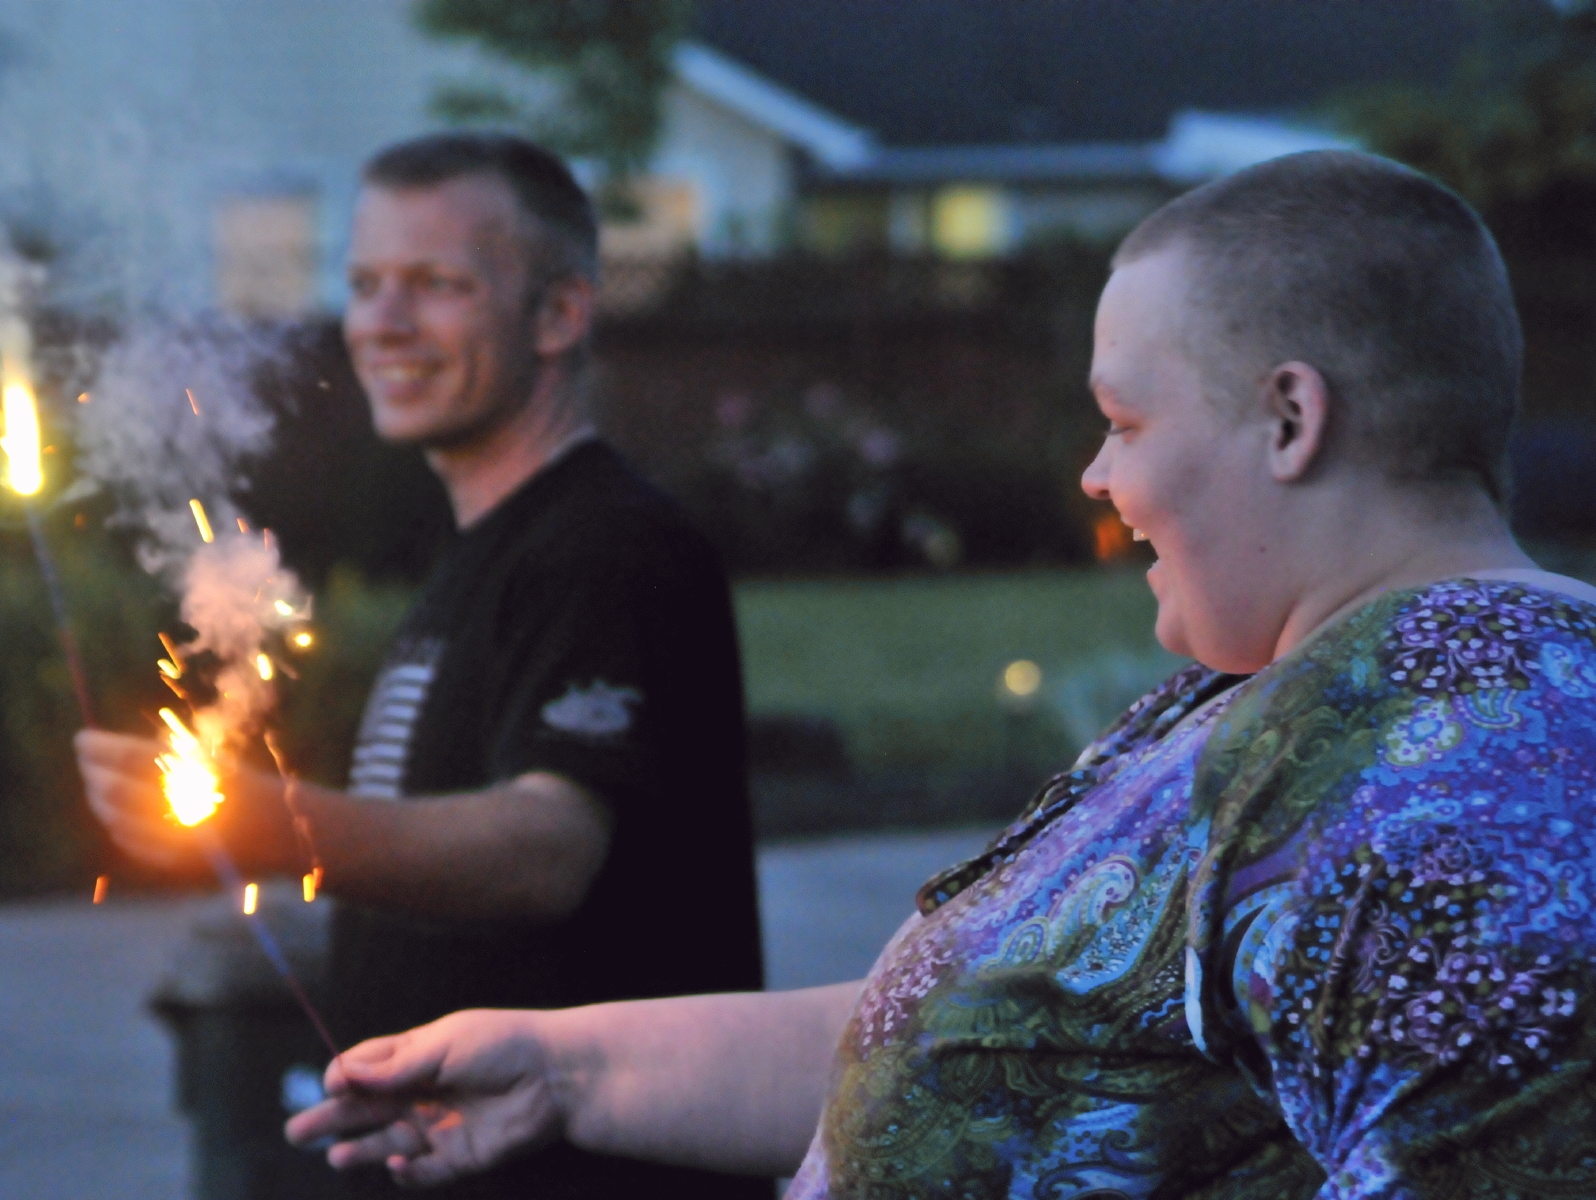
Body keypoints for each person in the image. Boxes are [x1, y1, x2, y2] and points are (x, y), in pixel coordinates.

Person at [284, 150, 1596, 1197]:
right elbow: (968, 1037)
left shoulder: (1462, 774)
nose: (1094, 475)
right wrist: (564, 1070)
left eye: (1124, 421)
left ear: (1288, 419)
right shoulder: (1288, 698)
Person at [77, 133, 767, 1199]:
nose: (381, 324)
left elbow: (548, 849)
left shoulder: (604, 550)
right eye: (363, 285)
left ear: (558, 314)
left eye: (435, 286)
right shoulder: (485, 554)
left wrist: (276, 825)